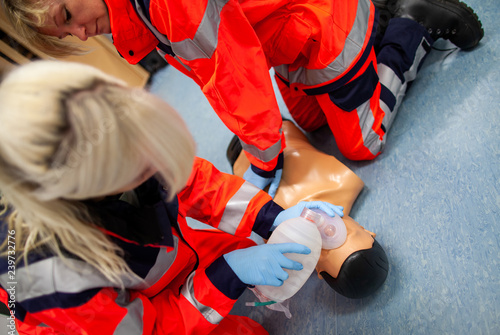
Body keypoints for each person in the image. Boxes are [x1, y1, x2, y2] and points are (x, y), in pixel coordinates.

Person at [0, 60, 345, 335]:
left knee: (239, 250)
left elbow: (197, 182)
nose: (155, 159)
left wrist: (273, 217)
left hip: (142, 259)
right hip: (102, 327)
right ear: (90, 188)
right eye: (142, 165)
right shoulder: (51, 278)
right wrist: (229, 273)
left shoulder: (115, 142)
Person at [0, 0, 484, 196]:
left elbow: (235, 76)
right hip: (283, 38)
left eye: (68, 14)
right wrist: (260, 145)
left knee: (362, 142)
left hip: (317, 18)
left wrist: (261, 163)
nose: (82, 33)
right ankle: (372, 34)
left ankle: (411, 22)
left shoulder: (168, 5)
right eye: (66, 35)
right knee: (312, 124)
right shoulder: (142, 13)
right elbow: (219, 74)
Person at [230, 120, 389, 299]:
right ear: (364, 229)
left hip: (236, 162)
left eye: (325, 249)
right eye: (344, 233)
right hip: (270, 129)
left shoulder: (279, 246)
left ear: (318, 270)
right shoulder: (343, 181)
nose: (326, 231)